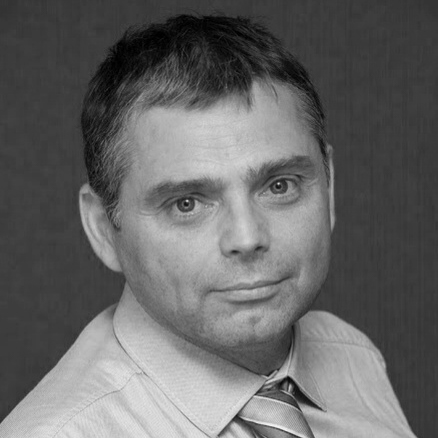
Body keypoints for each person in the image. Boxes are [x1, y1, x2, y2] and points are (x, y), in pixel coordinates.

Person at [0, 14, 416, 438]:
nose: (247, 238)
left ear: (328, 188)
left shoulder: (354, 358)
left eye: (280, 185)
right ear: (103, 228)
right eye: (187, 204)